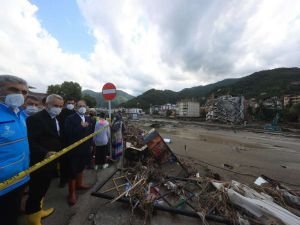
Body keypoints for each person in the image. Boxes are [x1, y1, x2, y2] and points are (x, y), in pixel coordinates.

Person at [25, 94, 64, 225]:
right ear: (47, 104)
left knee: (43, 188)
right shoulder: (36, 119)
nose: (58, 108)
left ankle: (38, 210)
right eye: (55, 106)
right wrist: (45, 153)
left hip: (51, 162)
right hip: (39, 161)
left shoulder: (55, 118)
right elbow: (29, 141)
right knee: (36, 190)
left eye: (60, 106)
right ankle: (32, 218)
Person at [0, 75, 30, 225]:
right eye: (14, 90)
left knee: (12, 217)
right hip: (2, 185)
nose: (20, 95)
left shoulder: (21, 114)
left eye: (24, 92)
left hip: (19, 178)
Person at [64, 100, 93, 205]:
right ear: (76, 107)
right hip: (74, 150)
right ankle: (72, 193)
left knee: (81, 168)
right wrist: (81, 127)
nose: (82, 108)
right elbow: (68, 133)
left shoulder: (89, 118)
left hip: (85, 149)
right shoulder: (70, 119)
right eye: (80, 106)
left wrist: (90, 145)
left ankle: (79, 184)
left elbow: (91, 133)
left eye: (84, 106)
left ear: (86, 107)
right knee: (72, 170)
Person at [57, 98, 76, 188]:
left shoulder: (75, 113)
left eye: (72, 103)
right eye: (69, 103)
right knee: (63, 162)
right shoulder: (60, 113)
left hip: (73, 141)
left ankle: (70, 178)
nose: (70, 104)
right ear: (65, 103)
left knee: (71, 162)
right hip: (63, 141)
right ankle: (62, 180)